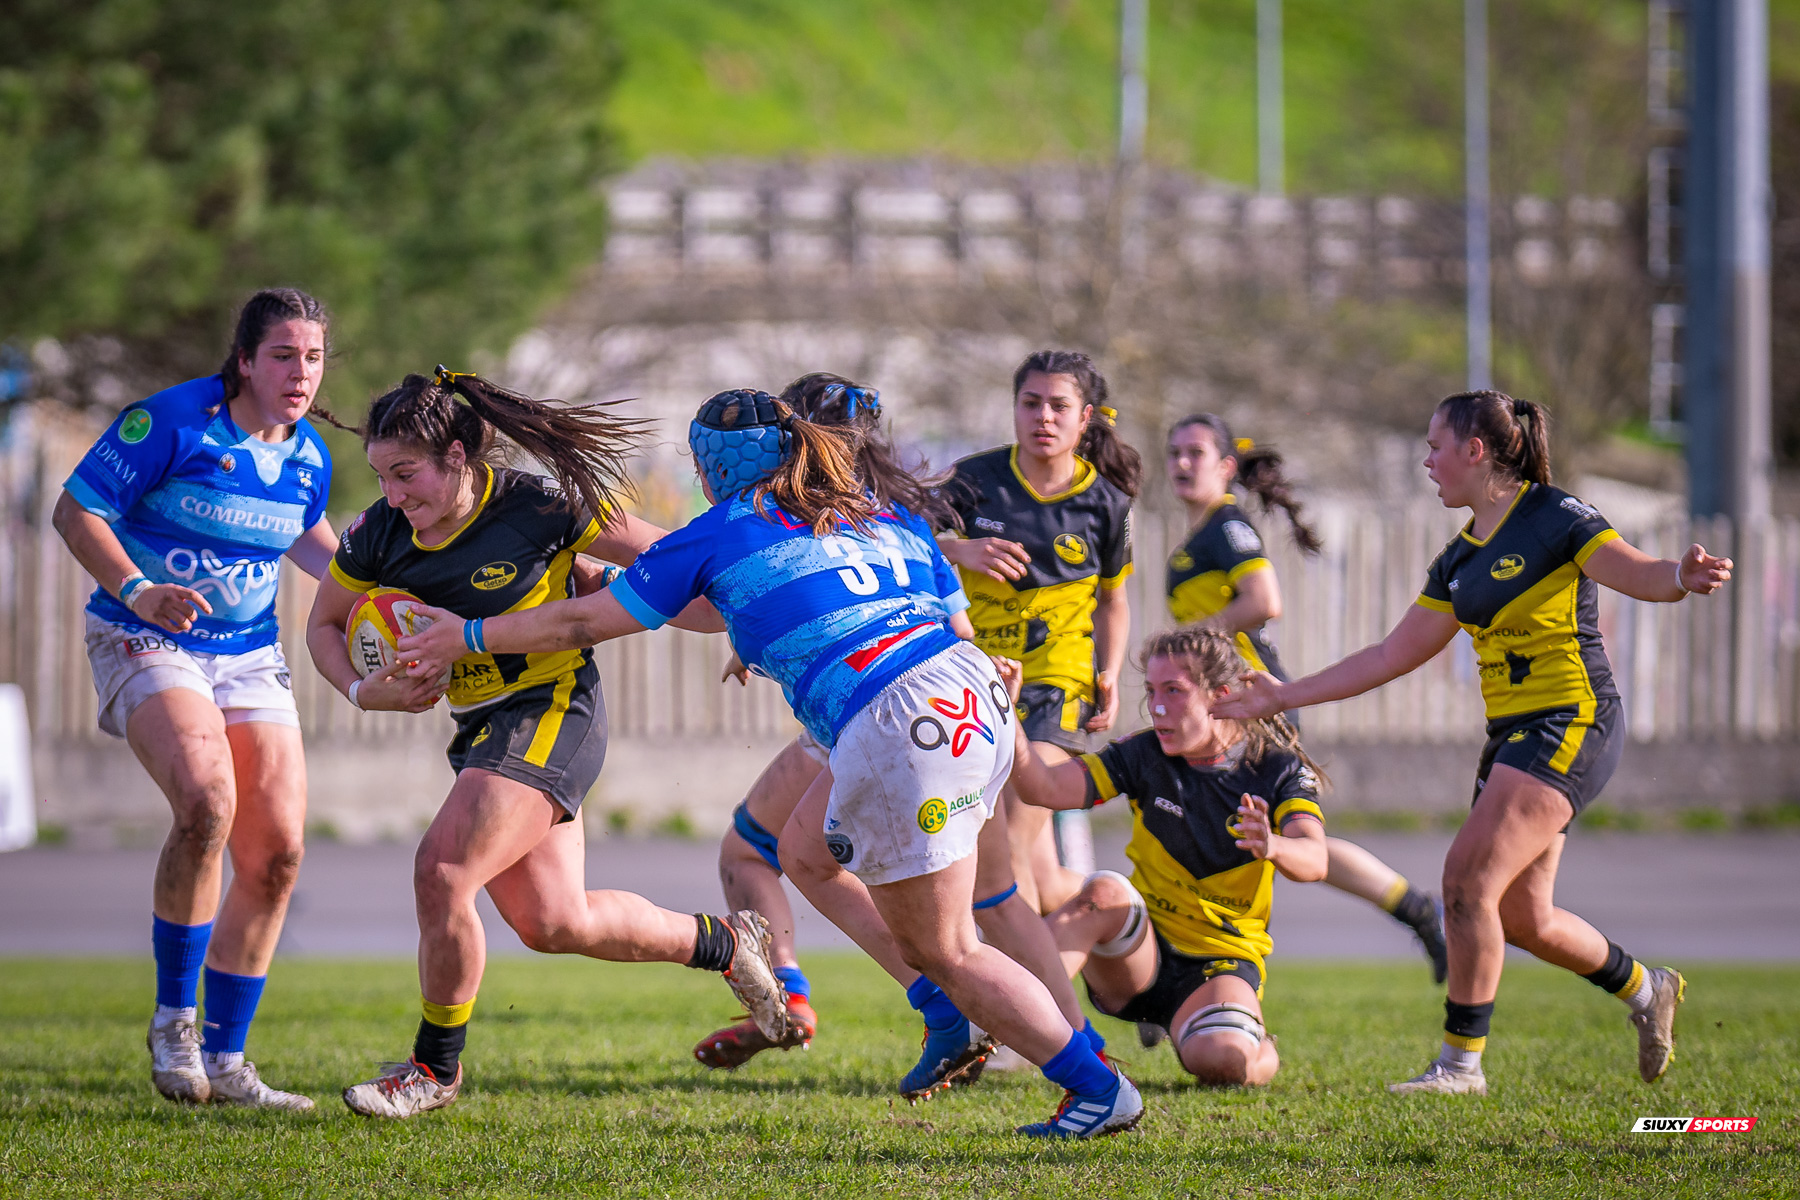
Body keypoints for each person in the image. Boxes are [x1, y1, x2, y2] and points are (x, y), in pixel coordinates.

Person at [398, 388, 1144, 1138]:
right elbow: (929, 616)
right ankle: (947, 1016)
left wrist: (467, 636)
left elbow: (580, 622)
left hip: (897, 721)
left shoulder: (717, 531)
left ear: (712, 468)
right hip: (972, 693)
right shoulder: (880, 511)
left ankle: (1094, 1086)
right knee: (803, 852)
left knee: (948, 947)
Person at [1215, 390, 1733, 1095]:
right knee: (1523, 917)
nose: (1427, 461)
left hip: (1571, 720)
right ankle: (1647, 989)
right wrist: (1283, 694)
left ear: (1475, 450)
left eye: (1435, 447)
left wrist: (1678, 576)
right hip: (1512, 737)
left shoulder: (1555, 516)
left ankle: (1461, 1065)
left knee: (1465, 881)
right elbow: (1389, 655)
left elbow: (1632, 569)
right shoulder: (1459, 558)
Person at [305, 369, 784, 1119]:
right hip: (479, 725)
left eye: (406, 474)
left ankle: (433, 1070)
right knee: (554, 922)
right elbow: (323, 626)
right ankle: (726, 941)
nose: (393, 495)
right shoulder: (378, 534)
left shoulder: (539, 506)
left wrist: (746, 620)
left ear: (458, 456)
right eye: (381, 477)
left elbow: (677, 559)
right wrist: (365, 692)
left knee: (442, 870)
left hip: (553, 706)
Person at [694, 376, 1108, 1100]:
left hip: (884, 718)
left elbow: (773, 584)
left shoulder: (810, 510)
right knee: (993, 895)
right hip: (959, 703)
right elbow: (938, 616)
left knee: (938, 924)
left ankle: (1068, 1060)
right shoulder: (897, 508)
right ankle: (1073, 1042)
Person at [52, 288, 339, 1110]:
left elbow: (307, 540)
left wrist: (384, 597)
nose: (300, 373)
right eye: (282, 355)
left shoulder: (310, 456)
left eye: (313, 358)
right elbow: (75, 512)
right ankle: (174, 1025)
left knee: (278, 852)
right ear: (243, 360)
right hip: (143, 634)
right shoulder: (173, 422)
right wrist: (139, 591)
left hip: (247, 654)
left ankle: (229, 1059)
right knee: (209, 803)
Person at [1165, 413, 1448, 984]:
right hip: (1225, 709)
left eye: (1196, 452)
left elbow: (1264, 599)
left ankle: (1192, 972)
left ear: (1226, 466)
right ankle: (1417, 910)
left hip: (1253, 704)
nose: (1181, 463)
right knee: (1270, 835)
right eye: (1174, 453)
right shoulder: (1199, 535)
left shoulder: (1227, 527)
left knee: (1251, 834)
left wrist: (1191, 639)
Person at [1002, 627, 1327, 1084]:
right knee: (1104, 892)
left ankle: (1254, 1041)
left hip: (1220, 959)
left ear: (1221, 697)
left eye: (1173, 691)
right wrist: (1006, 712)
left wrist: (1272, 845)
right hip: (1139, 953)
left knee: (1225, 1062)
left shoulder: (1276, 769)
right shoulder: (1144, 753)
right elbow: (1045, 788)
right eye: (1151, 691)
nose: (1156, 707)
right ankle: (1003, 1028)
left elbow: (1315, 860)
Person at [940, 350, 1140, 920]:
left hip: (1059, 683)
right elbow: (905, 545)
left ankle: (1019, 978)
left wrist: (1109, 672)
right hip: (980, 680)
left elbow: (1113, 601)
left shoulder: (1107, 503)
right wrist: (959, 549)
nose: (1043, 417)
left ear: (1085, 418)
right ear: (1015, 409)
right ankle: (1126, 924)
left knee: (1008, 839)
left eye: (1059, 406)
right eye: (1031, 403)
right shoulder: (973, 480)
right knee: (1043, 874)